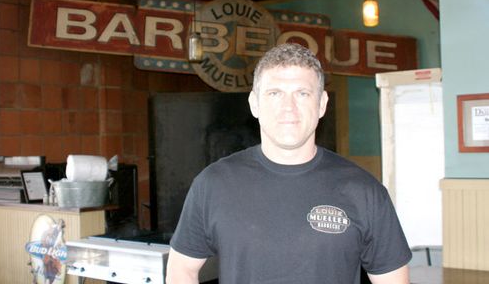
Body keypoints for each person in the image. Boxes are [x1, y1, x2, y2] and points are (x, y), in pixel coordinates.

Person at [166, 43, 411, 284]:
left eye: (302, 93)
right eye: (275, 93)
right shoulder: (213, 184)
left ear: (322, 104)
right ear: (254, 103)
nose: (288, 108)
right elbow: (181, 270)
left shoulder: (364, 191)